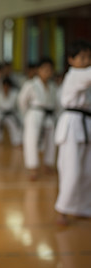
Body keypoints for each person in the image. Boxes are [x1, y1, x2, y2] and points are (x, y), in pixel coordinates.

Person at [54, 40, 91, 225]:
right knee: (72, 170)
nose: (86, 61)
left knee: (87, 170)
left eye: (88, 57)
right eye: (81, 57)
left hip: (85, 123)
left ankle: (81, 207)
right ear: (71, 60)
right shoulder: (76, 74)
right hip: (72, 125)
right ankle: (62, 208)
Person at [18, 57, 58, 180]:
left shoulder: (53, 86)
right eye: (44, 69)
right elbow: (22, 101)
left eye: (49, 70)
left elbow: (56, 103)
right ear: (38, 70)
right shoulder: (30, 84)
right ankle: (32, 167)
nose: (47, 72)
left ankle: (48, 163)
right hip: (34, 113)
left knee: (50, 140)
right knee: (31, 140)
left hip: (49, 115)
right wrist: (28, 115)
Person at [0, 77, 22, 147]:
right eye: (4, 86)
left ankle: (17, 141)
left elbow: (18, 105)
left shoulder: (15, 94)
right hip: (0, 113)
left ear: (10, 86)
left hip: (10, 114)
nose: (6, 88)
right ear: (2, 86)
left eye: (7, 86)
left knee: (15, 126)